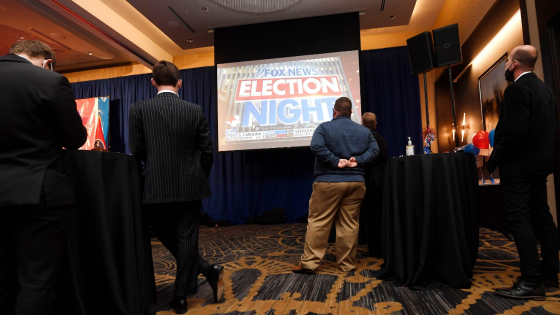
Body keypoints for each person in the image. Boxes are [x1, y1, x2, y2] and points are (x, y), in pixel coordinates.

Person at [128, 60, 223, 314]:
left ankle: (190, 285)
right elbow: (208, 151)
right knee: (186, 237)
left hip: (155, 186)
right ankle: (193, 283)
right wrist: (198, 176)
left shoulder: (138, 108)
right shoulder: (194, 109)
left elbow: (136, 150)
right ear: (179, 82)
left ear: (153, 82)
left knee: (164, 233)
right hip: (190, 185)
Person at [0, 40, 87, 315]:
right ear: (47, 61)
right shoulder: (49, 81)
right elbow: (75, 138)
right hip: (38, 193)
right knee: (36, 282)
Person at [487, 45, 558, 301]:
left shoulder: (517, 90)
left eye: (507, 61)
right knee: (542, 218)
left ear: (515, 63)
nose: (506, 65)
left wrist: (493, 160)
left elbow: (513, 133)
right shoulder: (545, 90)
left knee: (519, 220)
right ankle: (550, 275)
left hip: (518, 168)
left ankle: (531, 281)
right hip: (540, 166)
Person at [292, 97, 379, 273]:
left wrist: (335, 161)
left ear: (334, 111)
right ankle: (347, 264)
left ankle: (309, 263)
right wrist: (358, 161)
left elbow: (315, 146)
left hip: (328, 182)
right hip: (355, 183)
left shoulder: (324, 127)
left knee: (319, 222)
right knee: (349, 224)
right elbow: (375, 150)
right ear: (351, 112)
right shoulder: (363, 131)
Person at [360, 112, 388, 257]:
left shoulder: (367, 139)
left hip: (371, 182)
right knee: (379, 215)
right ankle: (379, 247)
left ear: (362, 124)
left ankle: (375, 249)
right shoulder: (380, 138)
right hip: (382, 180)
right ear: (375, 123)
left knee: (372, 217)